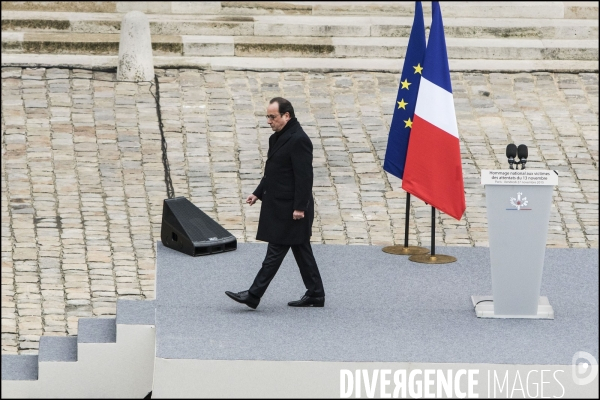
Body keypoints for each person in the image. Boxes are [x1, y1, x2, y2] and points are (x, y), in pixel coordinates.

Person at [225, 97, 325, 309]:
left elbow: (304, 177)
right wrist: (258, 192)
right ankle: (316, 293)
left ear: (286, 116)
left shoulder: (299, 140)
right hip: (282, 205)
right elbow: (275, 172)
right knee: (301, 250)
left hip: (292, 209)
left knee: (275, 252)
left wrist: (299, 207)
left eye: (273, 117)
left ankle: (253, 295)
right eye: (268, 117)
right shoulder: (277, 137)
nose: (269, 121)